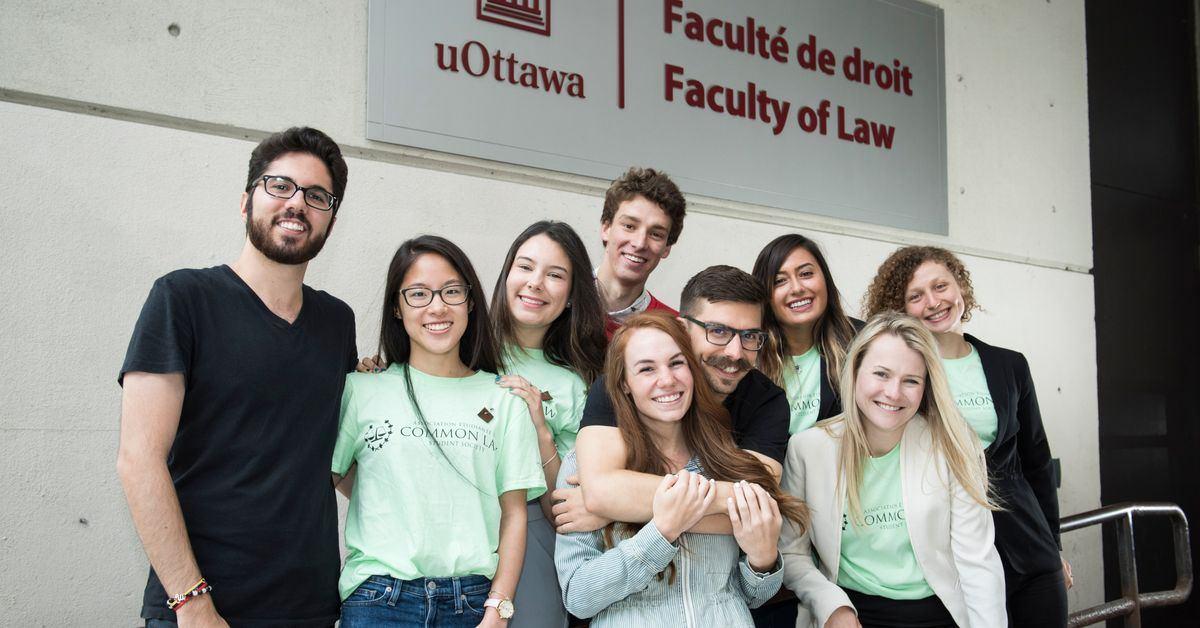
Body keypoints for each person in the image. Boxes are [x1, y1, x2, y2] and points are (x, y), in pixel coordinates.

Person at [116, 127, 356, 627]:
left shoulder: (338, 322)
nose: (297, 204)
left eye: (316, 196)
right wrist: (192, 601)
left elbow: (338, 459)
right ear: (246, 201)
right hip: (202, 606)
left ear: (330, 220)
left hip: (308, 606)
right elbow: (139, 461)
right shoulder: (182, 299)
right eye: (279, 186)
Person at [331, 236, 546, 627]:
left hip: (471, 603)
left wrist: (498, 609)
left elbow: (514, 514)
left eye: (451, 291)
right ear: (397, 307)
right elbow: (330, 476)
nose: (437, 307)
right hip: (379, 600)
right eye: (418, 294)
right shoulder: (361, 390)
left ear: (471, 301)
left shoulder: (504, 398)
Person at [555, 312, 808, 626]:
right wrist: (661, 532)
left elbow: (754, 595)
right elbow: (578, 597)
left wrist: (762, 559)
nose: (667, 380)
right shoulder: (585, 466)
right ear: (624, 384)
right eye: (646, 368)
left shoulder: (727, 458)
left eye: (677, 363)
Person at [863, 246, 1069, 627]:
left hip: (1027, 545)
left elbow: (1035, 459)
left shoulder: (1009, 364)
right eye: (916, 295)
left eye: (940, 286)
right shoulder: (901, 378)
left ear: (961, 288)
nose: (933, 302)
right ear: (900, 308)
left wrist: (1053, 545)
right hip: (951, 557)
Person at [780, 312, 1006, 628]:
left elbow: (978, 563)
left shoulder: (953, 445)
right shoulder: (808, 450)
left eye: (911, 380)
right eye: (882, 374)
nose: (893, 393)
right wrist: (832, 606)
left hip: (938, 614)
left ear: (927, 386)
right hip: (853, 615)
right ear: (855, 371)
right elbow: (792, 555)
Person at [557, 266, 791, 537]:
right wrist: (724, 496)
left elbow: (757, 512)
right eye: (718, 331)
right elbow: (601, 492)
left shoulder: (767, 402)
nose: (735, 352)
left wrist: (618, 514)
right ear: (683, 327)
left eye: (750, 336)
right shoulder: (626, 385)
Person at [489, 221, 607, 627]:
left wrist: (540, 431)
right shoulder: (459, 347)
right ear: (507, 274)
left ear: (572, 296)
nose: (535, 283)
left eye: (555, 275)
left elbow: (564, 511)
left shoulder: (578, 382)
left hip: (535, 542)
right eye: (525, 267)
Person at [752, 234, 860, 436]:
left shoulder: (863, 342)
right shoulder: (749, 353)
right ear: (765, 295)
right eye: (779, 281)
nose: (797, 288)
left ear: (825, 279)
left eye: (806, 274)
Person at [595, 167, 688, 337]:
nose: (639, 243)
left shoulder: (673, 331)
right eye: (629, 226)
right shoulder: (557, 303)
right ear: (606, 228)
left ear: (667, 247)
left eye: (656, 234)